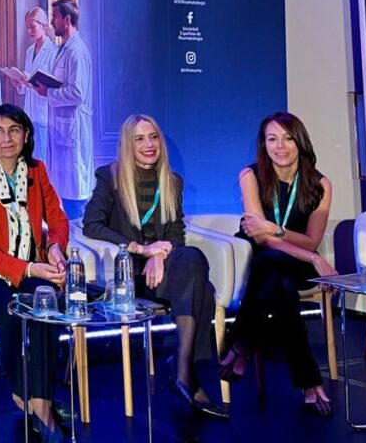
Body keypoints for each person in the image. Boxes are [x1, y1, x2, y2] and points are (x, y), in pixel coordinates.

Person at [82, 114, 227, 418]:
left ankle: (183, 369)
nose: (149, 144)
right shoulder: (109, 178)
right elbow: (92, 225)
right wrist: (141, 249)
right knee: (204, 290)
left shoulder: (172, 182)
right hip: (127, 275)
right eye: (139, 139)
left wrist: (158, 255)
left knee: (192, 257)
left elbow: (175, 232)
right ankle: (186, 374)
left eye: (153, 137)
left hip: (160, 272)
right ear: (128, 144)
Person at [0, 103, 69, 442]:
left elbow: (58, 219)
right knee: (11, 313)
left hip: (30, 265)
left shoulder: (37, 171)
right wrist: (28, 268)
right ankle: (22, 390)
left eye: (14, 130)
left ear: (26, 135)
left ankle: (41, 403)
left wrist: (55, 248)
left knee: (47, 304)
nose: (7, 139)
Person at [217, 112, 338, 416]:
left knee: (280, 274)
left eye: (287, 138)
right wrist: (313, 257)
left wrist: (276, 229)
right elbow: (261, 239)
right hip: (261, 259)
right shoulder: (250, 176)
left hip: (294, 262)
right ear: (264, 144)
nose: (279, 146)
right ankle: (308, 380)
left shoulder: (321, 185)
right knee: (276, 271)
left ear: (300, 142)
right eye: (272, 139)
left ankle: (241, 342)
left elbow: (312, 239)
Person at [42, 0, 94, 220]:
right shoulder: (64, 48)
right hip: (62, 129)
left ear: (67, 19)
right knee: (64, 194)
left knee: (75, 197)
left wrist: (48, 92)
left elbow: (77, 92)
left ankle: (78, 237)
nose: (51, 22)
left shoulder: (76, 50)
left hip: (73, 131)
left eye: (54, 17)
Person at [15, 7, 58, 160]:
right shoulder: (29, 51)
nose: (29, 31)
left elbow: (54, 85)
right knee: (30, 157)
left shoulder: (53, 52)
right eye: (27, 27)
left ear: (43, 25)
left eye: (32, 27)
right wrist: (19, 83)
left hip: (43, 113)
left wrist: (34, 85)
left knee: (43, 158)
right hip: (30, 112)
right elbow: (27, 82)